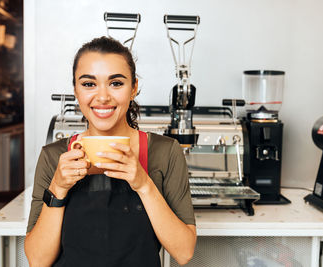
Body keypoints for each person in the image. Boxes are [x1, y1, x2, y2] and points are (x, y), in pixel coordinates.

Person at [24, 36, 196, 267]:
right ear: (75, 89)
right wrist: (58, 187)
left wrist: (143, 184)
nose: (103, 96)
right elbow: (37, 260)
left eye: (116, 83)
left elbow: (184, 252)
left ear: (133, 87)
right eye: (88, 84)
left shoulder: (165, 152)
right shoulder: (53, 156)